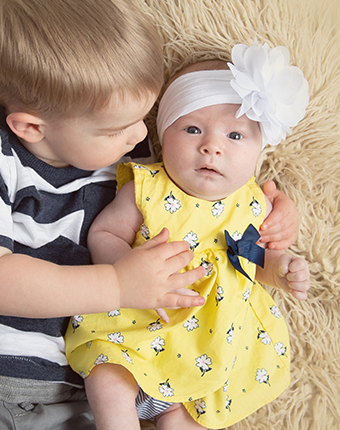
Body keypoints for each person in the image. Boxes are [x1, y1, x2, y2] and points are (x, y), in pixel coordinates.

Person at [0, 0, 299, 428]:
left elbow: (203, 202)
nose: (141, 136)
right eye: (116, 127)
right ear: (31, 128)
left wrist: (274, 206)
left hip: (70, 397)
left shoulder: (126, 160)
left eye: (144, 117)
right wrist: (117, 285)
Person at [65, 41, 312, 429]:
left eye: (235, 136)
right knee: (108, 378)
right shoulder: (148, 188)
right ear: (164, 136)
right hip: (134, 330)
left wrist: (282, 267)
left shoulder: (253, 205)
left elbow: (254, 260)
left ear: (259, 150)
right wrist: (123, 269)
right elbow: (106, 230)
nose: (212, 146)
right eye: (193, 128)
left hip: (209, 346)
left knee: (193, 411)